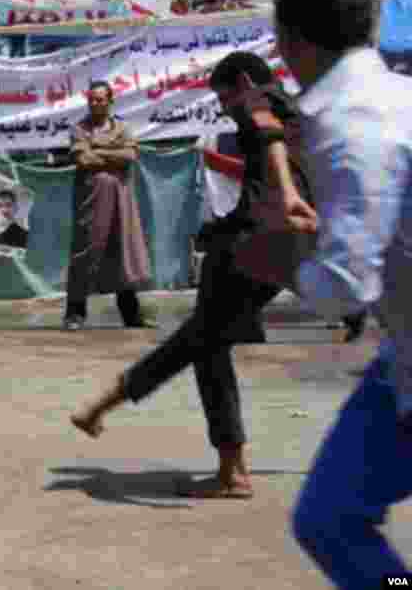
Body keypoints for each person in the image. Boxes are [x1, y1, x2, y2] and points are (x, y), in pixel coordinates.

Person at [69, 51, 318, 499]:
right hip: (287, 245)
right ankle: (225, 463)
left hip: (258, 240)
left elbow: (266, 134)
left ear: (241, 81)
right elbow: (277, 160)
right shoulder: (301, 113)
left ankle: (113, 406)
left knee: (199, 341)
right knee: (206, 340)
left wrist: (284, 196)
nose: (223, 107)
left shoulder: (257, 99)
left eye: (223, 96)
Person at [271, 0, 412, 587]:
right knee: (330, 519)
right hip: (402, 361)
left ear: (289, 39)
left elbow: (344, 289)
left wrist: (284, 257)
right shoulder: (391, 99)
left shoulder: (353, 123)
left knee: (332, 520)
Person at [63, 81, 153, 331]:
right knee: (85, 252)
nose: (95, 103)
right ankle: (75, 314)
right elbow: (83, 158)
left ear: (110, 101)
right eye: (91, 99)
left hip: (121, 201)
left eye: (100, 99)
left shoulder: (123, 127)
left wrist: (99, 148)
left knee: (122, 252)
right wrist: (114, 152)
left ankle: (131, 316)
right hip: (91, 200)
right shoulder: (79, 128)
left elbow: (131, 156)